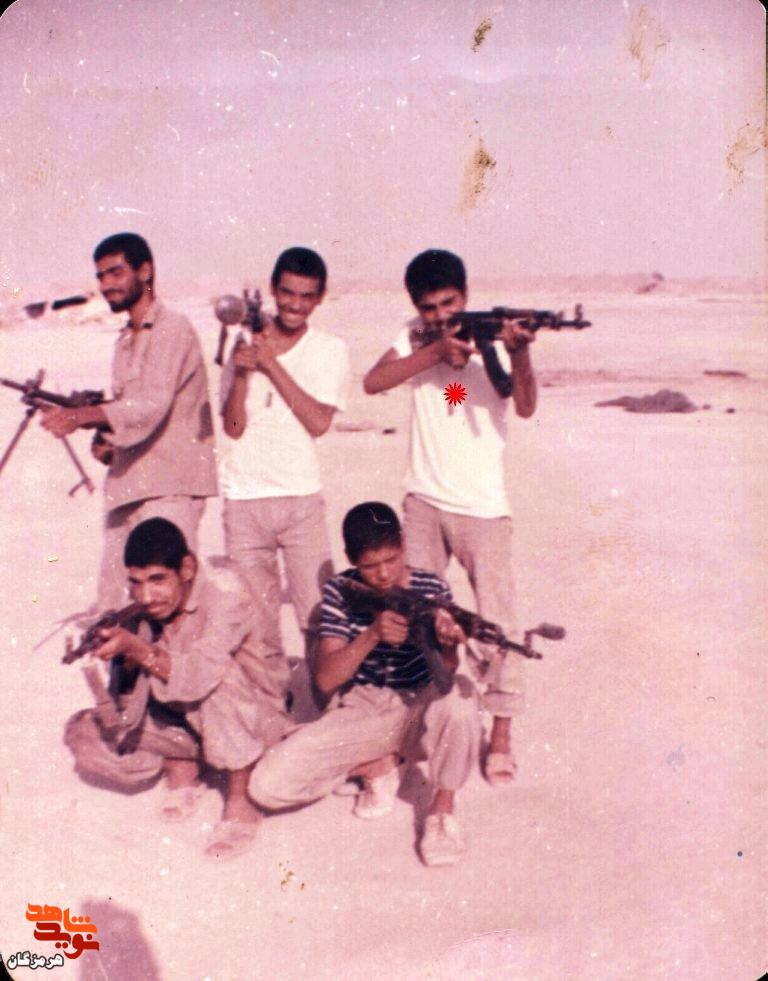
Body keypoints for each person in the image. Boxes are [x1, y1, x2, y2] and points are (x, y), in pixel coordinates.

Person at [362, 249, 537, 786]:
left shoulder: (495, 339)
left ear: (466, 295)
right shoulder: (415, 336)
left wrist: (519, 354)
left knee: (498, 622)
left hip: (482, 505)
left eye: (449, 303)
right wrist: (435, 351)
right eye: (430, 307)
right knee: (419, 614)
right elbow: (374, 381)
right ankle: (428, 720)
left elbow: (524, 404)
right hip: (424, 500)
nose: (440, 314)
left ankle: (501, 731)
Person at [248, 502, 482, 867]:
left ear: (404, 544)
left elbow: (447, 674)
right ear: (351, 559)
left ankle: (441, 812)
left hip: (418, 706)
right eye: (371, 566)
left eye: (392, 559)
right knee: (267, 786)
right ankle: (380, 764)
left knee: (462, 701)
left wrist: (449, 644)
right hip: (364, 709)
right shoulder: (341, 592)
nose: (384, 574)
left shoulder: (431, 586)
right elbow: (326, 678)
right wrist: (372, 635)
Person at [64, 518, 291, 859]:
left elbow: (199, 674)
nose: (146, 596)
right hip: (191, 720)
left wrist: (137, 649)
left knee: (217, 680)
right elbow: (130, 696)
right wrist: (124, 662)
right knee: (85, 733)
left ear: (186, 568)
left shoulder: (227, 595)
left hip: (255, 717)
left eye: (157, 580)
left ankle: (241, 799)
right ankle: (183, 765)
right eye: (136, 582)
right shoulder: (144, 606)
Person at [41, 233, 218, 609]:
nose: (106, 284)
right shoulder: (124, 340)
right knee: (117, 604)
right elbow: (126, 412)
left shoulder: (173, 328)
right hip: (128, 486)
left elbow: (151, 405)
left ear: (145, 271)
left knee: (175, 607)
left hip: (169, 487)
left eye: (116, 272)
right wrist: (104, 441)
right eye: (101, 276)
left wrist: (81, 416)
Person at [218, 246, 349, 693]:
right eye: (288, 293)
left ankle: (327, 710)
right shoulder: (242, 345)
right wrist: (242, 373)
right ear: (273, 290)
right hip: (244, 501)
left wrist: (270, 364)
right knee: (258, 626)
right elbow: (233, 428)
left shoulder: (329, 350)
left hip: (300, 500)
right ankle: (272, 711)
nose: (295, 304)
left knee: (319, 617)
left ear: (320, 298)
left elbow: (318, 422)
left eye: (306, 296)